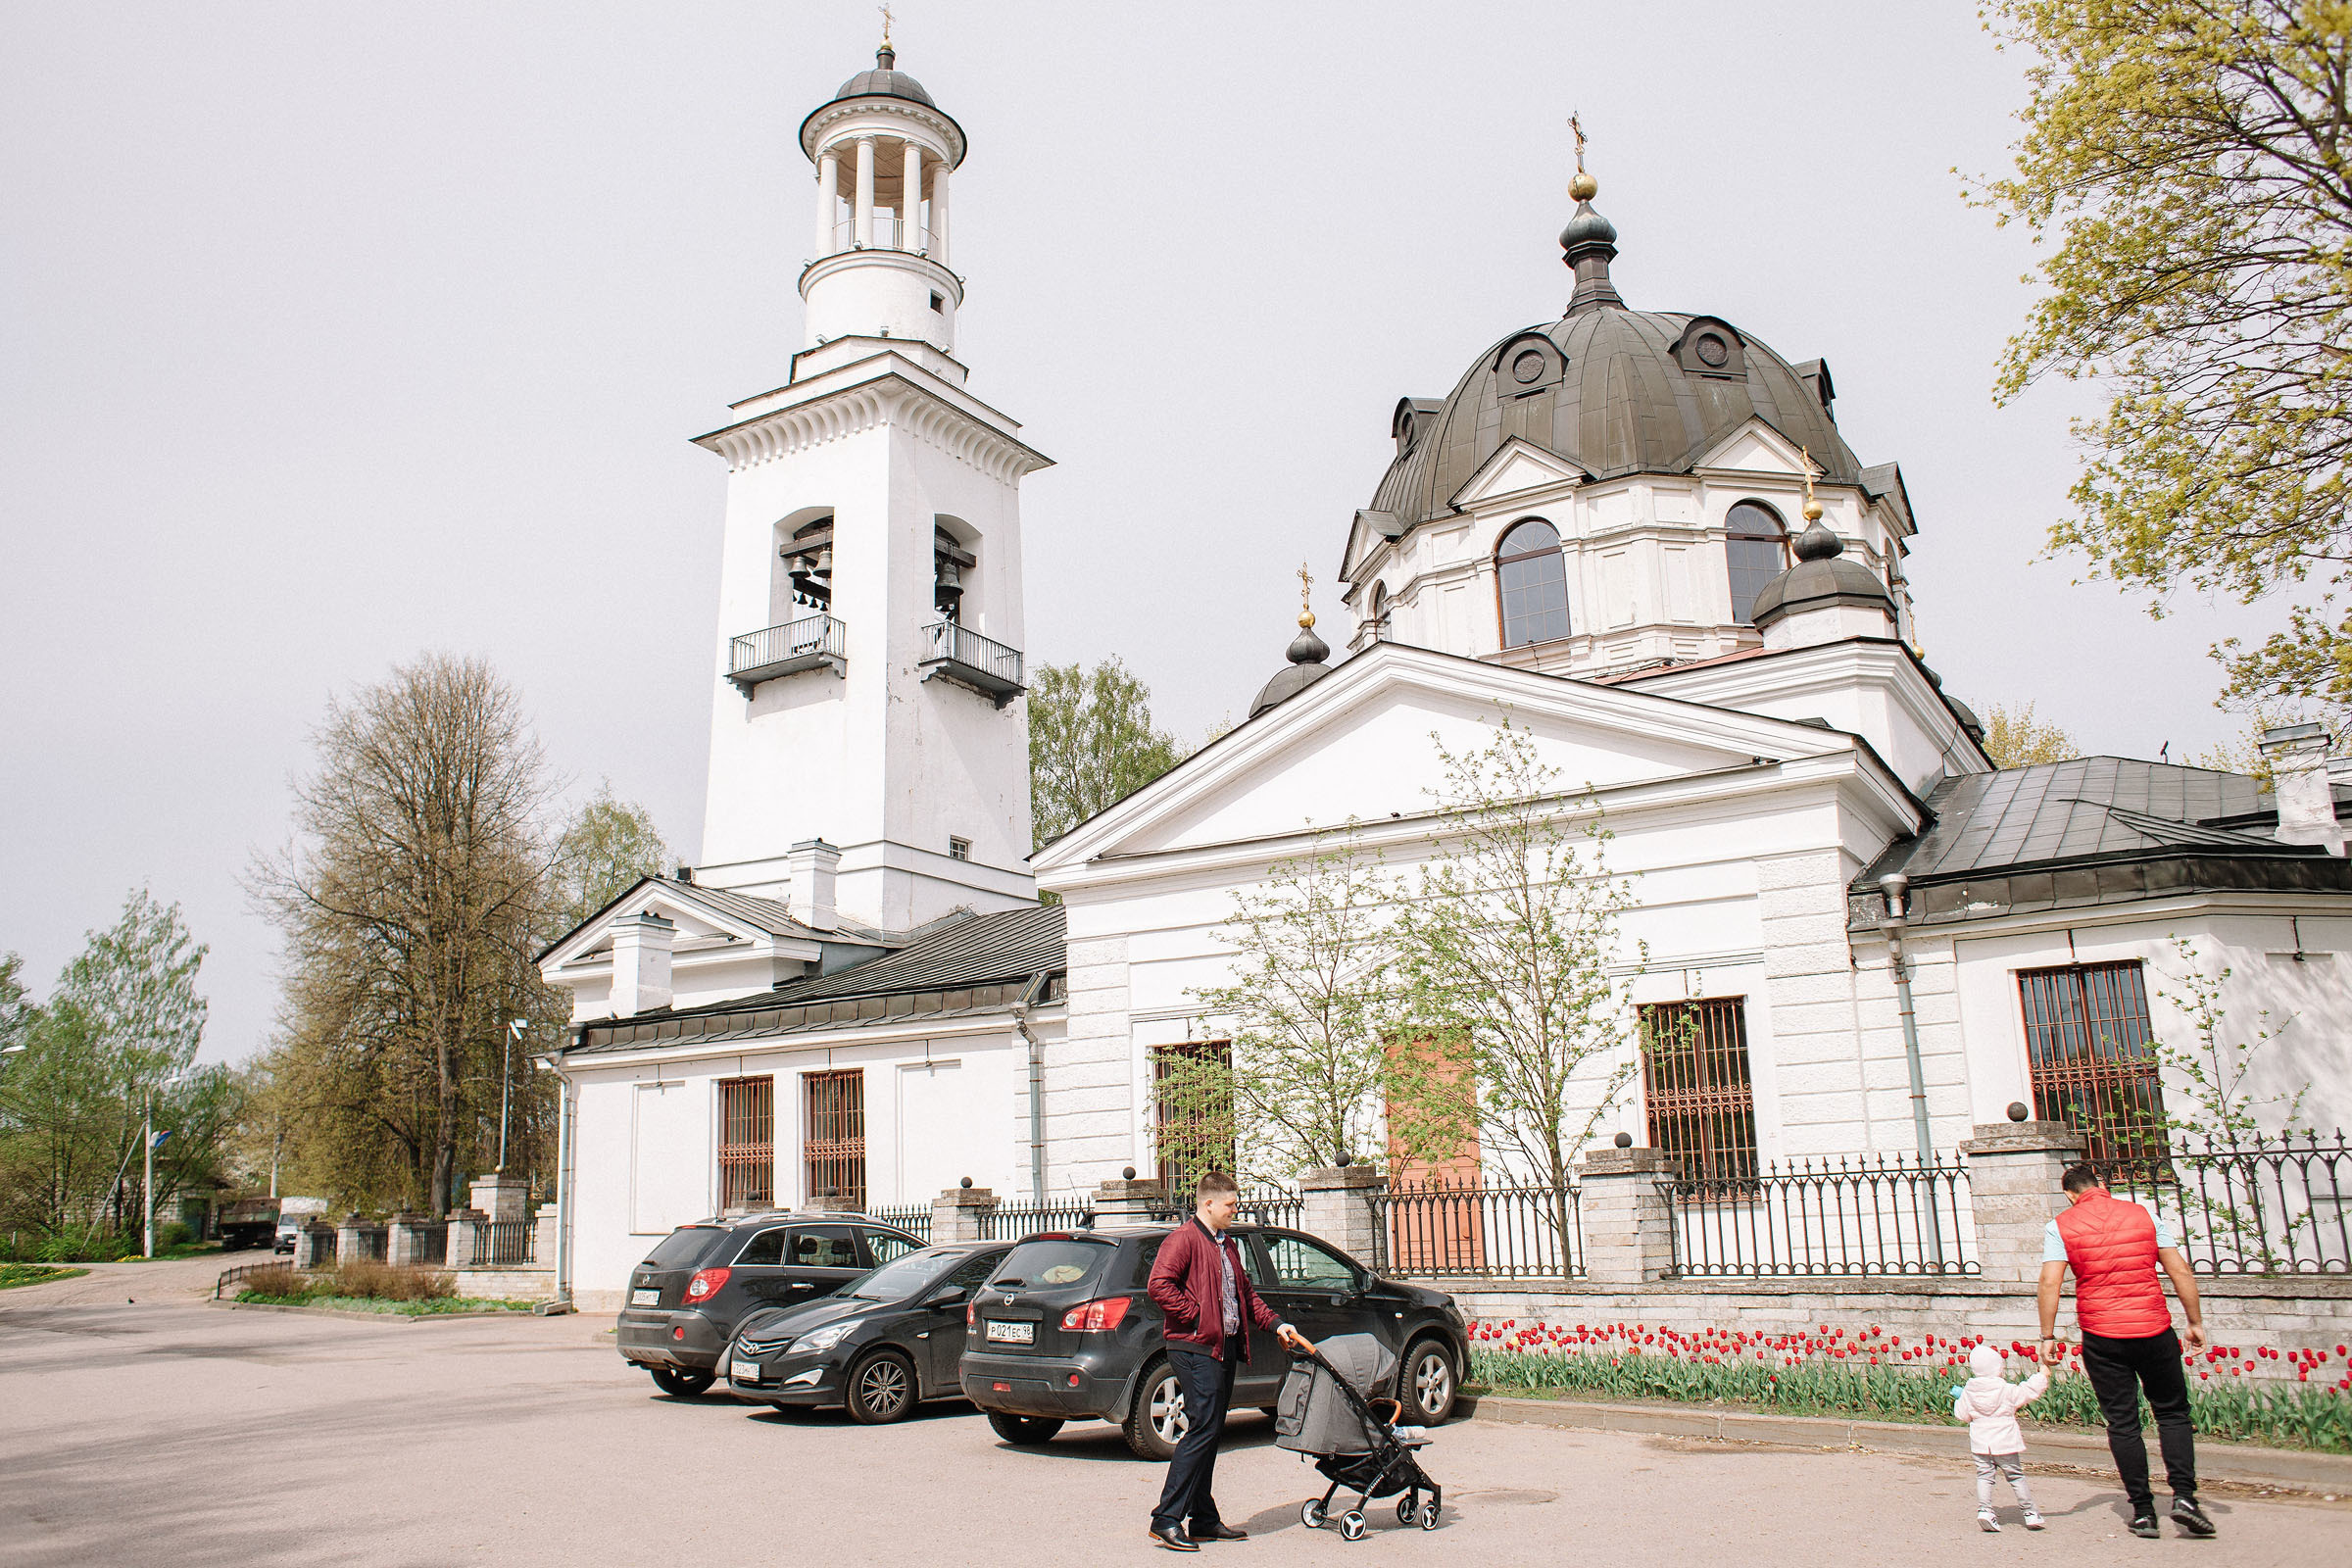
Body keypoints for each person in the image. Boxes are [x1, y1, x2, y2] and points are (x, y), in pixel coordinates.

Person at [2037, 1161, 2215, 1539]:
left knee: (2123, 1421)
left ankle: (2143, 1512)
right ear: (2102, 1185)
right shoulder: (2144, 1216)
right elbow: (2179, 1271)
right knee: (2172, 1414)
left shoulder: (2060, 1226)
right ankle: (2185, 1498)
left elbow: (2050, 1282)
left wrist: (2048, 1336)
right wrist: (2195, 1322)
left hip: (2103, 1335)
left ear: (2070, 1193)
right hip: (2153, 1329)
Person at [1144, 1170, 1314, 1552]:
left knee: (1210, 1432)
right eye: (1230, 1205)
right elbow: (1159, 1284)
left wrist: (1276, 1324)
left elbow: (1245, 1295)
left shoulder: (1227, 1244)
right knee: (1203, 1428)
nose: (1235, 1210)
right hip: (1193, 1348)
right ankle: (1166, 1518)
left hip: (1223, 1349)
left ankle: (1203, 1518)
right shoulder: (1183, 1239)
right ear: (1208, 1204)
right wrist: (1196, 1314)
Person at [1952, 1343, 2049, 1532]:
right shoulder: (2006, 1389)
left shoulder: (1969, 1391)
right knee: (2015, 1477)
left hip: (1981, 1444)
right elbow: (2027, 1391)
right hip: (2005, 1442)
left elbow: (1962, 1415)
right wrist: (2042, 1375)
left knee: (1984, 1476)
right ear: (1997, 1368)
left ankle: (1985, 1511)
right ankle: (2030, 1513)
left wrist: (1960, 1399)